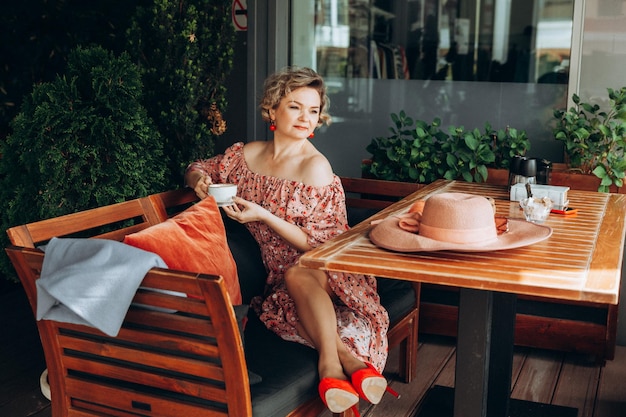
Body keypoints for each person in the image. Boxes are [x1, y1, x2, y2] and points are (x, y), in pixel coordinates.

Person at [184, 66, 395, 415]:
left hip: (328, 270)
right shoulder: (243, 157)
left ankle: (330, 366)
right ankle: (351, 363)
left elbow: (320, 248)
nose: (305, 118)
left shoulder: (316, 168)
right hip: (277, 276)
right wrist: (198, 183)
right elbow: (199, 166)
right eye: (296, 106)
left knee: (299, 272)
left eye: (313, 111)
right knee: (290, 283)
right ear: (272, 109)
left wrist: (264, 216)